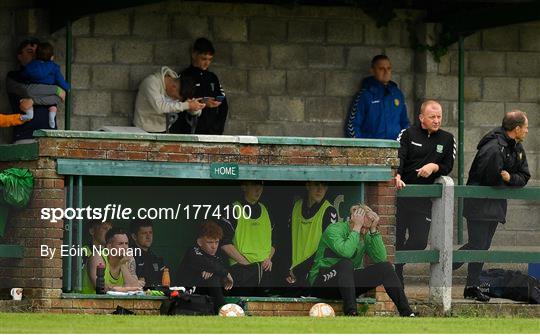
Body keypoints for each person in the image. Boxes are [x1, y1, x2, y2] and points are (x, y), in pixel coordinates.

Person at [455, 110, 530, 302]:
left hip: (495, 206)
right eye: (526, 127)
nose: (527, 131)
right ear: (517, 128)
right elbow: (490, 177)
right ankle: (469, 284)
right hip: (480, 205)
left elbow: (524, 175)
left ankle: (458, 271)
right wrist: (504, 178)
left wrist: (509, 177)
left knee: (481, 246)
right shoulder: (493, 147)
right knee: (478, 246)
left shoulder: (516, 148)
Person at [308, 204, 415, 317]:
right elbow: (346, 252)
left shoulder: (364, 233)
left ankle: (407, 313)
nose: (364, 231)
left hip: (346, 286)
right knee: (346, 263)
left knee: (386, 267)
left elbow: (380, 258)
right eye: (362, 227)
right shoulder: (334, 229)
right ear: (351, 221)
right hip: (322, 284)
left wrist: (373, 230)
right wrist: (357, 229)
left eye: (366, 228)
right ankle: (351, 312)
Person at [394, 100, 456, 286]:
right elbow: (398, 157)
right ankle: (396, 279)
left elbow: (448, 165)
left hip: (423, 201)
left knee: (419, 242)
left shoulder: (447, 139)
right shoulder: (407, 134)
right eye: (432, 117)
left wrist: (434, 166)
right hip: (401, 196)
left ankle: (395, 264)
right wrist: (396, 175)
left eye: (439, 117)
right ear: (422, 118)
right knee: (396, 239)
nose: (437, 120)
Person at [219, 181, 275, 295]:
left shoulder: (266, 210)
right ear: (244, 187)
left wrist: (269, 258)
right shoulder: (233, 209)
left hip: (264, 271)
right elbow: (224, 243)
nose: (258, 189)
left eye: (261, 186)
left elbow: (274, 242)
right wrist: (245, 264)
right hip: (242, 270)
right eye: (254, 185)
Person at [284, 182, 338, 291]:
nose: (320, 189)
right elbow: (287, 241)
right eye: (316, 185)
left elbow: (327, 249)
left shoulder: (329, 211)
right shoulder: (296, 206)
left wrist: (299, 270)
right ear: (308, 185)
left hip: (315, 273)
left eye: (323, 186)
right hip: (294, 274)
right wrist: (288, 270)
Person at [6, 38, 61, 143]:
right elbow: (28, 91)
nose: (35, 56)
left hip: (49, 135)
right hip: (24, 135)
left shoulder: (50, 78)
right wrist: (56, 89)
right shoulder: (14, 76)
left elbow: (58, 98)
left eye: (37, 52)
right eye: (30, 52)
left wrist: (33, 101)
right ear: (19, 56)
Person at [171, 37, 228, 135]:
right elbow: (179, 103)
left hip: (212, 131)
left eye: (210, 59)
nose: (207, 62)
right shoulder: (184, 75)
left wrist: (219, 128)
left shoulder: (212, 77)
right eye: (203, 59)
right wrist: (203, 101)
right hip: (190, 131)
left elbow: (223, 104)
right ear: (194, 55)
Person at [345, 54, 410, 140]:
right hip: (372, 150)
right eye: (381, 69)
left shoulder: (397, 94)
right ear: (372, 71)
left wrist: (405, 143)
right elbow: (352, 125)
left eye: (388, 68)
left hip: (395, 147)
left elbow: (405, 123)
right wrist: (361, 148)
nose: (386, 72)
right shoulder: (365, 95)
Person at [176, 220, 233, 314]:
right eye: (210, 242)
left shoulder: (217, 258)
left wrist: (215, 271)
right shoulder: (192, 251)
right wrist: (225, 273)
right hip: (187, 297)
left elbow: (214, 267)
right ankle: (223, 308)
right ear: (199, 242)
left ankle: (225, 309)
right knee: (214, 276)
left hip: (205, 300)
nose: (214, 246)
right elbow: (206, 263)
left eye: (216, 242)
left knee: (215, 276)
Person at [134, 66, 205, 133]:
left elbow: (188, 105)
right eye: (177, 97)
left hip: (165, 129)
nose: (178, 101)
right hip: (143, 130)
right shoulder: (151, 82)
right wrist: (187, 105)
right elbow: (160, 107)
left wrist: (196, 108)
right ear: (174, 87)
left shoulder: (181, 86)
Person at [19, 42, 70, 128]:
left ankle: (29, 114)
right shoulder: (54, 67)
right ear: (52, 57)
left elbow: (24, 75)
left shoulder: (31, 65)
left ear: (36, 55)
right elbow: (60, 80)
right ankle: (52, 113)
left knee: (27, 97)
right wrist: (67, 88)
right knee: (59, 97)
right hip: (48, 92)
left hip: (33, 89)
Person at [82, 228, 142, 294]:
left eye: (126, 243)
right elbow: (101, 288)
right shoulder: (97, 258)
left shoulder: (128, 260)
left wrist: (123, 264)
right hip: (88, 302)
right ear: (109, 246)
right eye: (120, 244)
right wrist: (126, 289)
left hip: (116, 303)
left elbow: (136, 289)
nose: (125, 247)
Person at [130, 219, 165, 288]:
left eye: (150, 232)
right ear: (134, 236)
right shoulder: (129, 255)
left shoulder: (155, 258)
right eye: (144, 233)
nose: (148, 237)